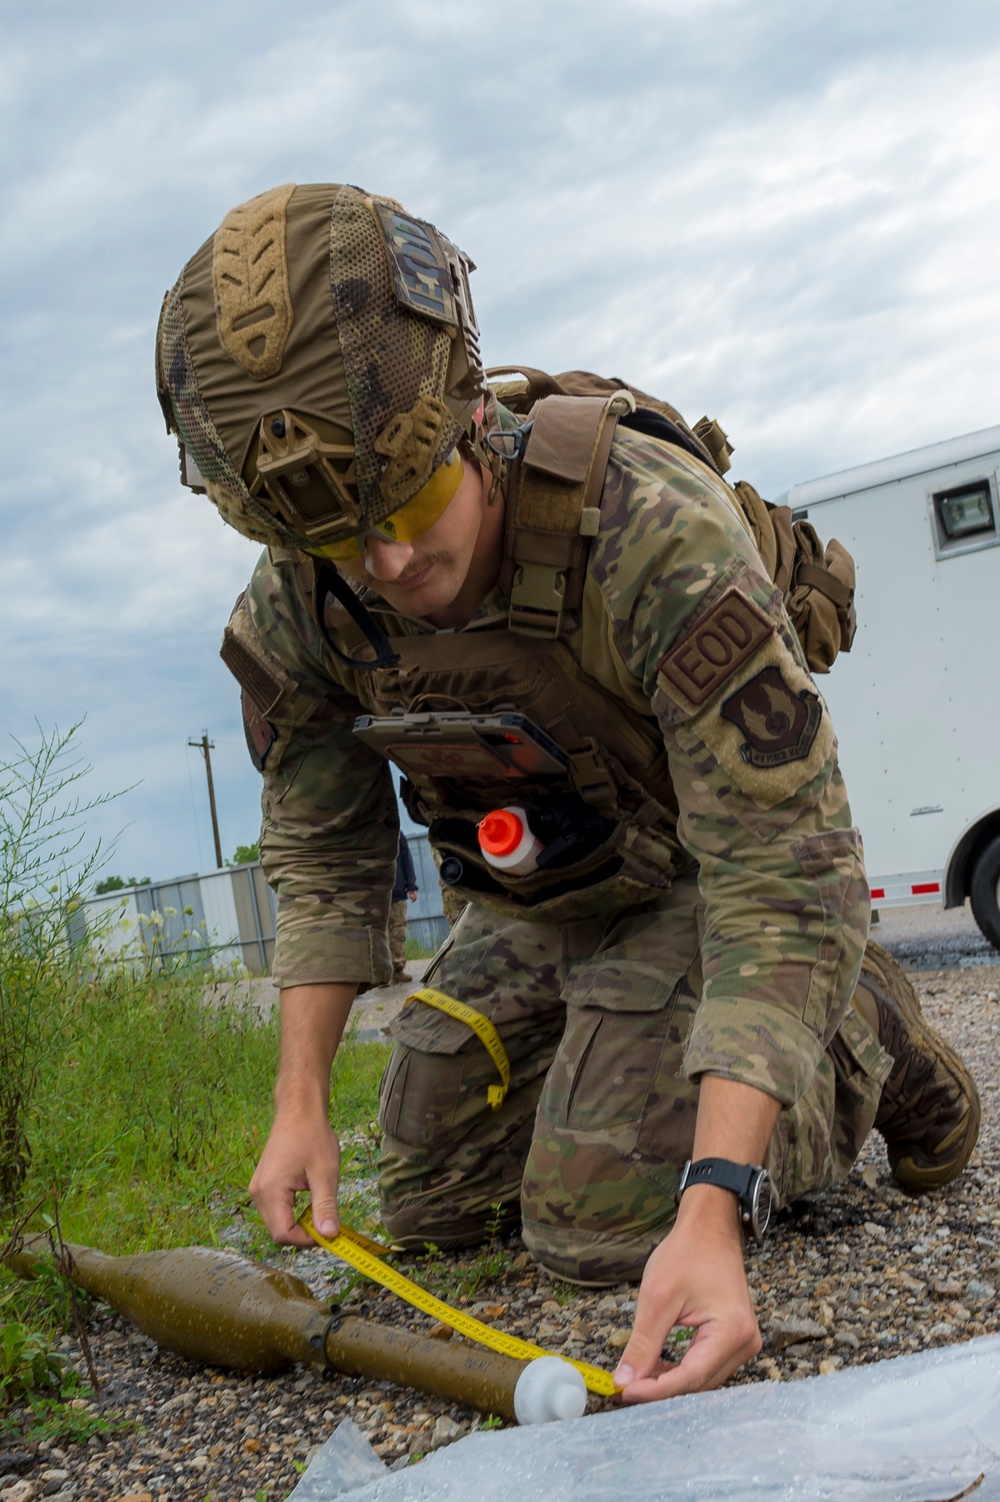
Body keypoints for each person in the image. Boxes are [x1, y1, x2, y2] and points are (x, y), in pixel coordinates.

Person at [155, 182, 980, 1404]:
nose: (388, 562)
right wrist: (299, 1104)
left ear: (469, 419)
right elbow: (325, 856)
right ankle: (629, 1067)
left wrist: (711, 1205)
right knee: (433, 1200)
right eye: (340, 540)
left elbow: (780, 868)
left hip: (703, 884)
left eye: (417, 502)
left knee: (608, 1233)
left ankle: (866, 1032)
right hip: (539, 904)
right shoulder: (305, 602)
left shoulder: (645, 532)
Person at [388, 832, 418, 982]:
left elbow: (407, 860)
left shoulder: (397, 834)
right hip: (376, 895)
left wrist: (411, 885)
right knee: (379, 935)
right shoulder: (367, 830)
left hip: (397, 892)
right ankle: (382, 975)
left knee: (398, 933)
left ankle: (397, 971)